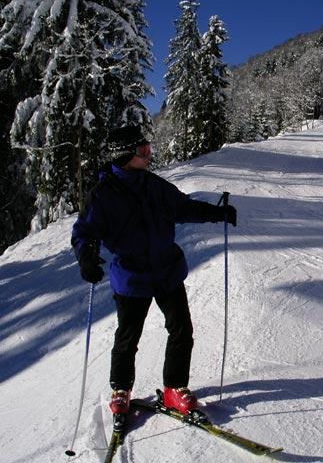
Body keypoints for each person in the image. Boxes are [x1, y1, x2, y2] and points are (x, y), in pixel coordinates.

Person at [71, 125, 237, 416]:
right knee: (128, 338)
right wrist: (86, 254)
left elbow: (183, 207)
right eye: (143, 151)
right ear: (125, 155)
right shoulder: (102, 195)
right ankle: (120, 389)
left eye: (149, 149)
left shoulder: (154, 185)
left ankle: (174, 388)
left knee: (182, 330)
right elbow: (84, 230)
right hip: (132, 278)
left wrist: (216, 213)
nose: (149, 155)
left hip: (167, 271)